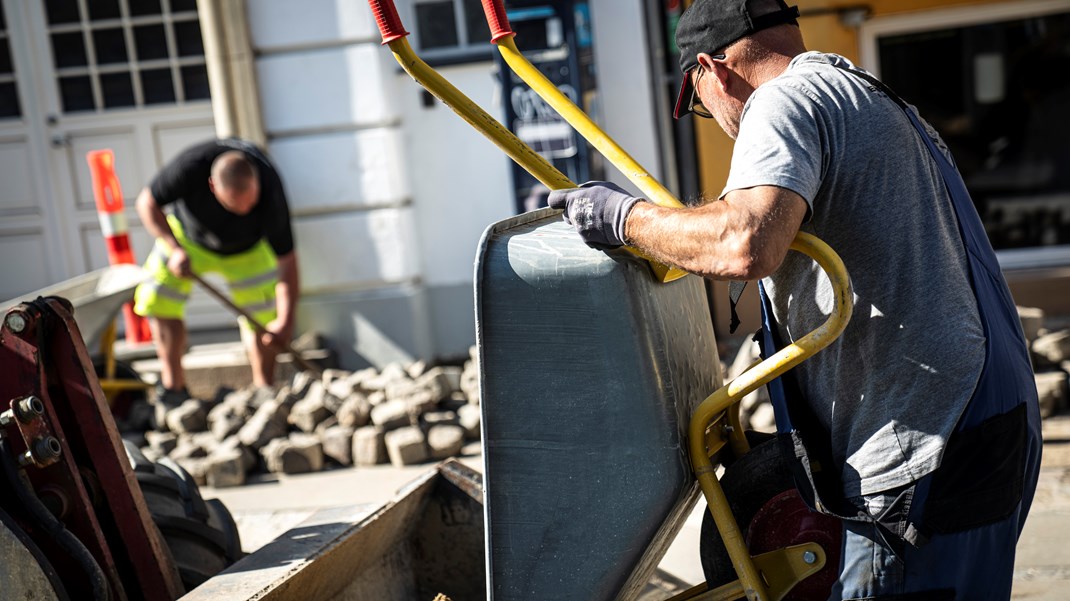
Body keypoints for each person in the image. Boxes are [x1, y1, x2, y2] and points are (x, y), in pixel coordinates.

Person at [547, 0, 1042, 598]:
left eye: (703, 106)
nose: (722, 125)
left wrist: (624, 219)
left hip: (926, 437)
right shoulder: (869, 95)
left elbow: (744, 241)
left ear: (714, 67)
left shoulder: (782, 102)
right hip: (988, 415)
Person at [133, 138, 299, 405]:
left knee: (266, 311)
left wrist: (285, 321)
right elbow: (146, 203)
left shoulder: (271, 190)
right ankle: (174, 388)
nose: (244, 211)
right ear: (213, 186)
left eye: (250, 203)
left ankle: (264, 390)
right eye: (235, 205)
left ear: (256, 184)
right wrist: (174, 248)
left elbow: (287, 261)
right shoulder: (191, 166)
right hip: (187, 240)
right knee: (158, 295)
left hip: (249, 250)